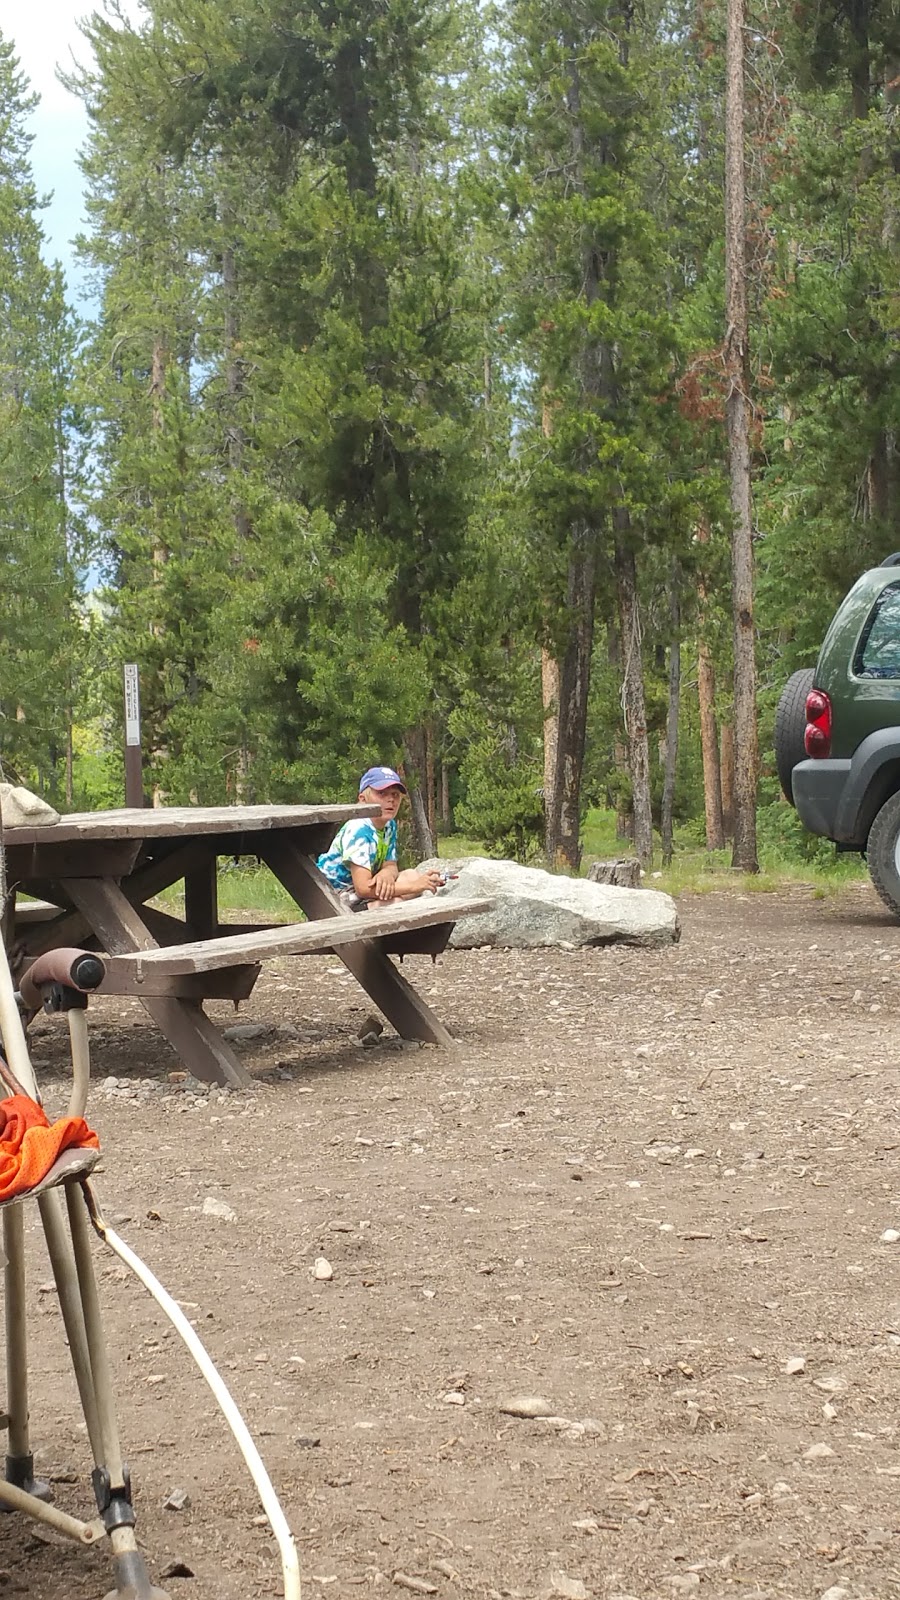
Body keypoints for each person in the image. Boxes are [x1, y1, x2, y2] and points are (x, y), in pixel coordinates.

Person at [316, 766, 443, 910]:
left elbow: (390, 864)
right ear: (363, 799)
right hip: (334, 897)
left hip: (362, 888)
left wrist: (386, 874)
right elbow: (363, 889)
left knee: (411, 875)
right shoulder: (358, 830)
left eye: (395, 794)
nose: (391, 800)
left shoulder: (389, 825)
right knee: (397, 904)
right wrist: (414, 887)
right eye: (382, 793)